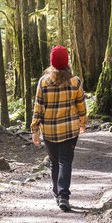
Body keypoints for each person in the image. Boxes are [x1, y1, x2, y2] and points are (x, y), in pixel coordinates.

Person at [31, 45, 87, 212]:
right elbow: (81, 106)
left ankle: (57, 193)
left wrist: (35, 130)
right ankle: (63, 195)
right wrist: (83, 123)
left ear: (52, 62)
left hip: (49, 131)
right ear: (67, 62)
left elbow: (38, 107)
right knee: (65, 161)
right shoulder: (75, 82)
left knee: (55, 162)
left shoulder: (44, 82)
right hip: (70, 130)